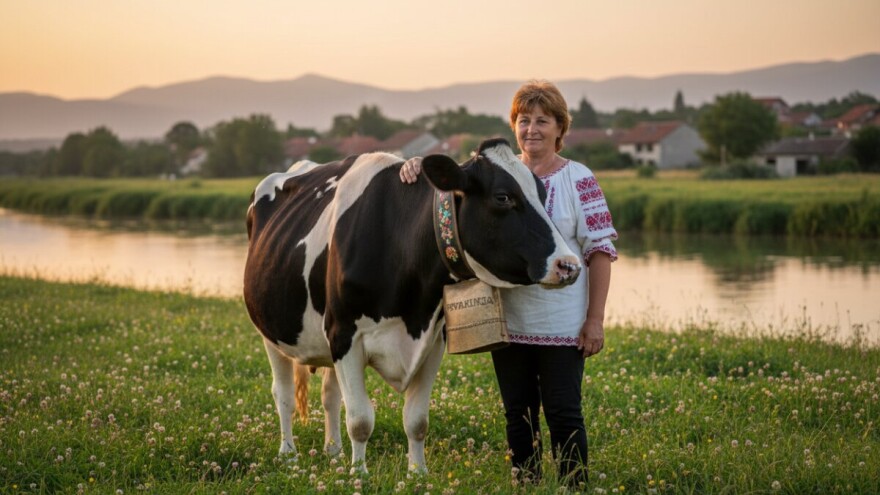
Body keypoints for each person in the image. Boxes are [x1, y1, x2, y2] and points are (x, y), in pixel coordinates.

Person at [400, 80, 617, 487]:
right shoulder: (496, 173)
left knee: (563, 411)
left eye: (542, 120)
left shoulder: (579, 178)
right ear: (513, 125)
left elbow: (600, 251)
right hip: (508, 319)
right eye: (523, 120)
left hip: (562, 324)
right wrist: (414, 164)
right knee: (517, 410)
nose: (531, 129)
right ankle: (527, 483)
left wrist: (595, 319)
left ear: (559, 128)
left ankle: (573, 485)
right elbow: (448, 186)